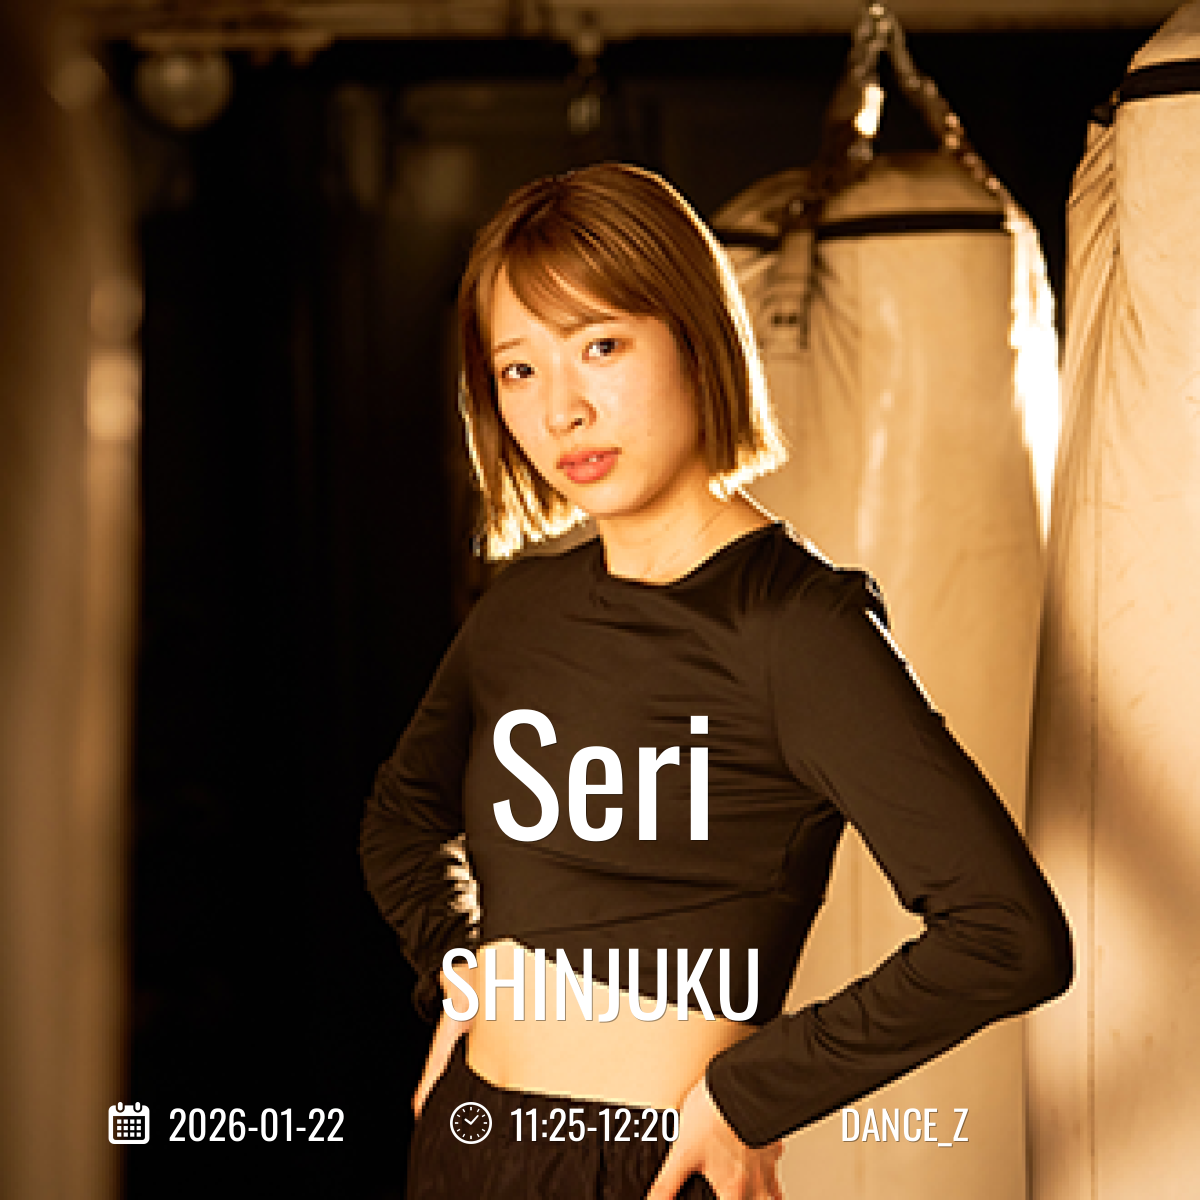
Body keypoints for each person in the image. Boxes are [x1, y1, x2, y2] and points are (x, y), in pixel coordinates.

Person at [359, 162, 1072, 1200]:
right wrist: (459, 971)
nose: (562, 411)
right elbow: (399, 818)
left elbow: (1007, 935)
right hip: (467, 1143)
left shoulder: (798, 626)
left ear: (695, 336)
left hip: (645, 1168)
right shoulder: (519, 615)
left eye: (601, 347)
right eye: (518, 369)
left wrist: (751, 1094)